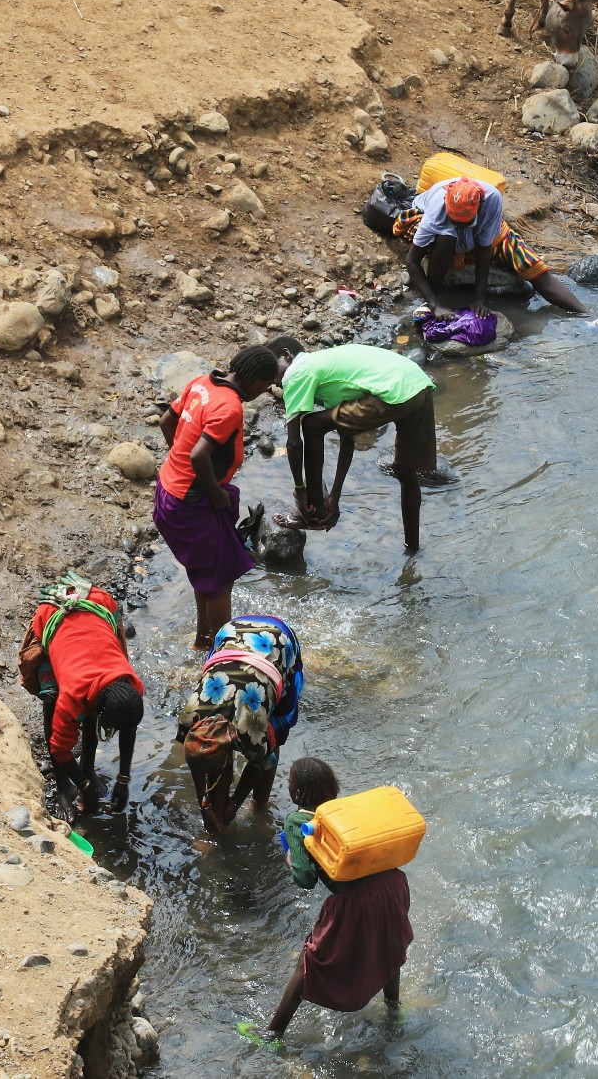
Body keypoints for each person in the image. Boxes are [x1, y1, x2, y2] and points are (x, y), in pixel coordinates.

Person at [252, 757, 413, 1046]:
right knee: (387, 942)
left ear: (298, 793)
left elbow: (305, 880)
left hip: (356, 899)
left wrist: (290, 858)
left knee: (311, 957)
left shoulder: (297, 821)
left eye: (289, 784)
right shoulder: (344, 811)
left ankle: (272, 1033)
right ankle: (393, 1011)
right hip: (393, 884)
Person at [154, 346, 280, 648]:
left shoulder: (201, 383)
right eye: (266, 384)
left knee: (207, 573)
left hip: (168, 490)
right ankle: (223, 656)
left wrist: (178, 458)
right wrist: (216, 494)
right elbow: (199, 456)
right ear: (253, 379)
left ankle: (203, 641)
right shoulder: (230, 407)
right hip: (192, 502)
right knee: (220, 582)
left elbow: (165, 423)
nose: (266, 391)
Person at [268, 339, 437, 554]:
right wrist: (335, 496)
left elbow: (293, 442)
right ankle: (412, 549)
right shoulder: (327, 370)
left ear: (286, 355)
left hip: (395, 390)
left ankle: (316, 516)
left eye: (273, 370)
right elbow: (347, 436)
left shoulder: (298, 373)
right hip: (418, 385)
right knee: (405, 469)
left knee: (311, 423)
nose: (274, 381)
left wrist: (301, 494)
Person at [19, 574, 144, 818]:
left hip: (99, 607)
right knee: (51, 700)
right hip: (54, 613)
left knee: (92, 716)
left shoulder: (131, 685)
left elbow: (129, 727)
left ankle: (87, 769)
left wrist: (124, 779)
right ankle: (64, 786)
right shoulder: (73, 695)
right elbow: (59, 747)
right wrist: (84, 790)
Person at [176, 615, 304, 837]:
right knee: (215, 763)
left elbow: (263, 762)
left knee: (274, 737)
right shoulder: (189, 718)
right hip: (230, 633)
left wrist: (235, 804)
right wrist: (203, 806)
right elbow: (197, 765)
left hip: (278, 641)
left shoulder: (250, 728)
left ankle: (259, 808)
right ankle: (219, 823)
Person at [403, 175, 589, 318]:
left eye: (464, 222)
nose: (459, 226)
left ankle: (588, 315)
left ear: (479, 207)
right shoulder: (437, 210)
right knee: (447, 237)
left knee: (523, 258)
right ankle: (432, 299)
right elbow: (412, 261)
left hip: (478, 234)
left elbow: (485, 248)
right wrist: (435, 305)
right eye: (455, 221)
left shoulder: (491, 199)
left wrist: (479, 299)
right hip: (428, 225)